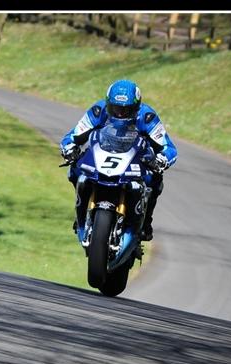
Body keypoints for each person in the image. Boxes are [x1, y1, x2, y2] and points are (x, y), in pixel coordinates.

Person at [59, 79, 178, 242]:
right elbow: (73, 135)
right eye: (115, 109)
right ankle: (83, 214)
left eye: (125, 110)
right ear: (108, 104)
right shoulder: (98, 110)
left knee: (154, 179)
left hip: (134, 160)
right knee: (75, 170)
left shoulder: (147, 116)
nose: (120, 114)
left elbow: (169, 148)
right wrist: (69, 148)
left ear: (136, 107)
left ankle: (145, 222)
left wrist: (161, 160)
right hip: (101, 156)